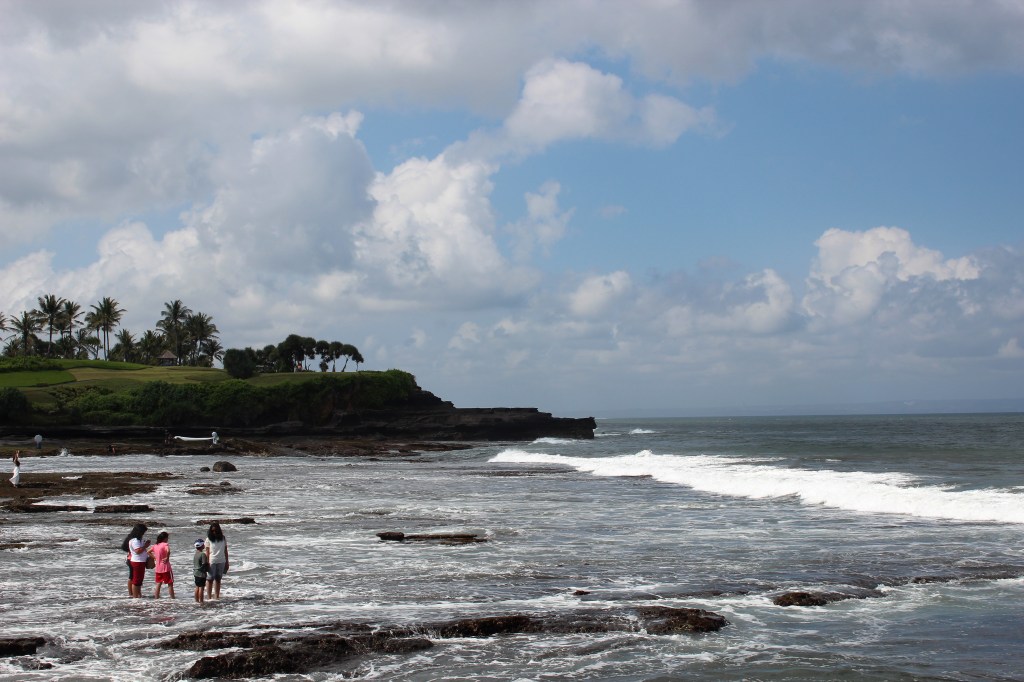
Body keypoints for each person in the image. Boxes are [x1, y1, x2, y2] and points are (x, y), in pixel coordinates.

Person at [121, 523, 151, 598]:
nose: (143, 534)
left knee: (138, 579)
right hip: (136, 561)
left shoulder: (136, 539)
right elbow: (138, 551)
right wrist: (145, 546)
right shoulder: (135, 540)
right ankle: (134, 596)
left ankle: (137, 595)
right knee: (136, 580)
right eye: (143, 532)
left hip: (137, 560)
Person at [204, 521, 229, 600]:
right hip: (212, 561)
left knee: (218, 579)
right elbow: (207, 552)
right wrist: (207, 562)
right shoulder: (208, 539)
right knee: (210, 579)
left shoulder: (223, 538)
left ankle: (216, 596)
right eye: (212, 531)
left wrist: (227, 562)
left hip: (221, 560)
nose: (214, 532)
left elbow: (225, 550)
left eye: (215, 530)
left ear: (219, 530)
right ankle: (209, 597)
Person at [151, 531, 175, 599]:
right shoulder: (165, 544)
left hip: (158, 568)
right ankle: (172, 598)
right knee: (170, 584)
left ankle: (156, 597)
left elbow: (148, 552)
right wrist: (167, 557)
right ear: (165, 538)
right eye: (167, 538)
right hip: (165, 567)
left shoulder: (155, 545)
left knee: (158, 583)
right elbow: (168, 551)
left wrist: (155, 558)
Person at [192, 538, 209, 603]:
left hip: (195, 573)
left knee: (197, 587)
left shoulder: (196, 554)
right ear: (202, 546)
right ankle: (201, 601)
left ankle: (196, 601)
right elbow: (204, 564)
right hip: (201, 574)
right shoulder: (202, 554)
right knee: (201, 588)